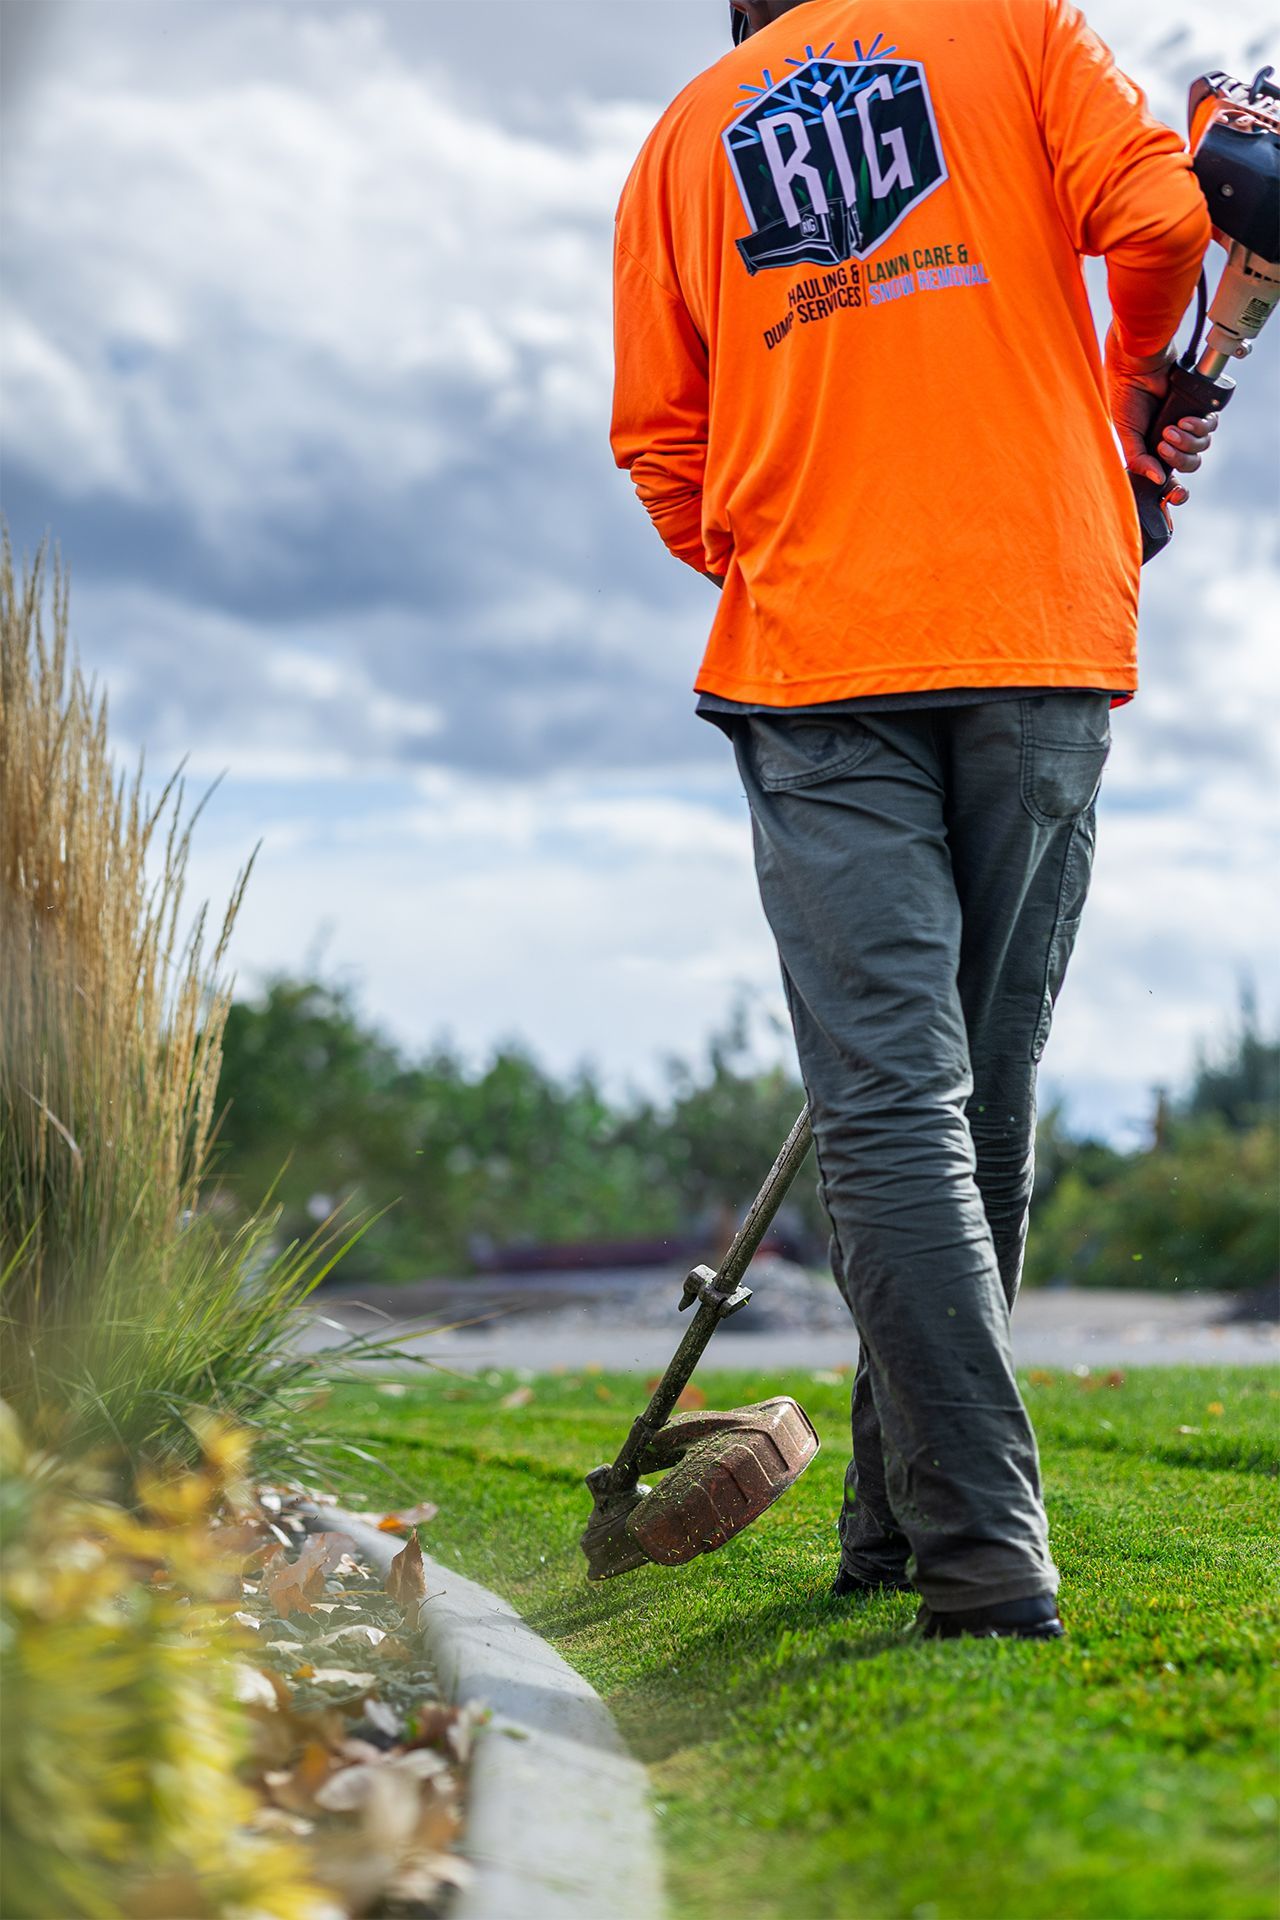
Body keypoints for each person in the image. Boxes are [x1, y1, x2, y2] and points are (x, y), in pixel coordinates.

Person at [610, 0, 1218, 1640]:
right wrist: (1115, 407)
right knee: (977, 1105)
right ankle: (910, 1531)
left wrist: (791, 553)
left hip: (817, 664)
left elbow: (664, 447)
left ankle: (962, 1547)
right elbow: (1166, 219)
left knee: (894, 1112)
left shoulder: (685, 139)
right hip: (1036, 626)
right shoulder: (1016, 28)